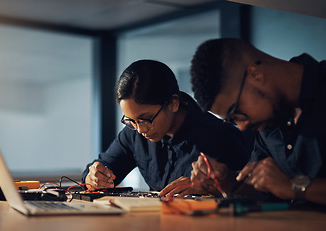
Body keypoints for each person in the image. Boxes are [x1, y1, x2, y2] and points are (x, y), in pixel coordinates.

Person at [189, 38, 326, 205]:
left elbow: (285, 187)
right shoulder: (268, 120)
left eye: (237, 112)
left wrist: (294, 187)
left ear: (255, 75)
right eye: (231, 120)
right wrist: (224, 182)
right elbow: (262, 190)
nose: (242, 126)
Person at [82, 59, 249, 194]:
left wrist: (214, 188)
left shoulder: (219, 136)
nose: (140, 129)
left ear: (173, 103)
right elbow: (102, 167)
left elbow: (249, 195)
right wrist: (94, 177)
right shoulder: (133, 134)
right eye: (131, 120)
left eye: (146, 119)